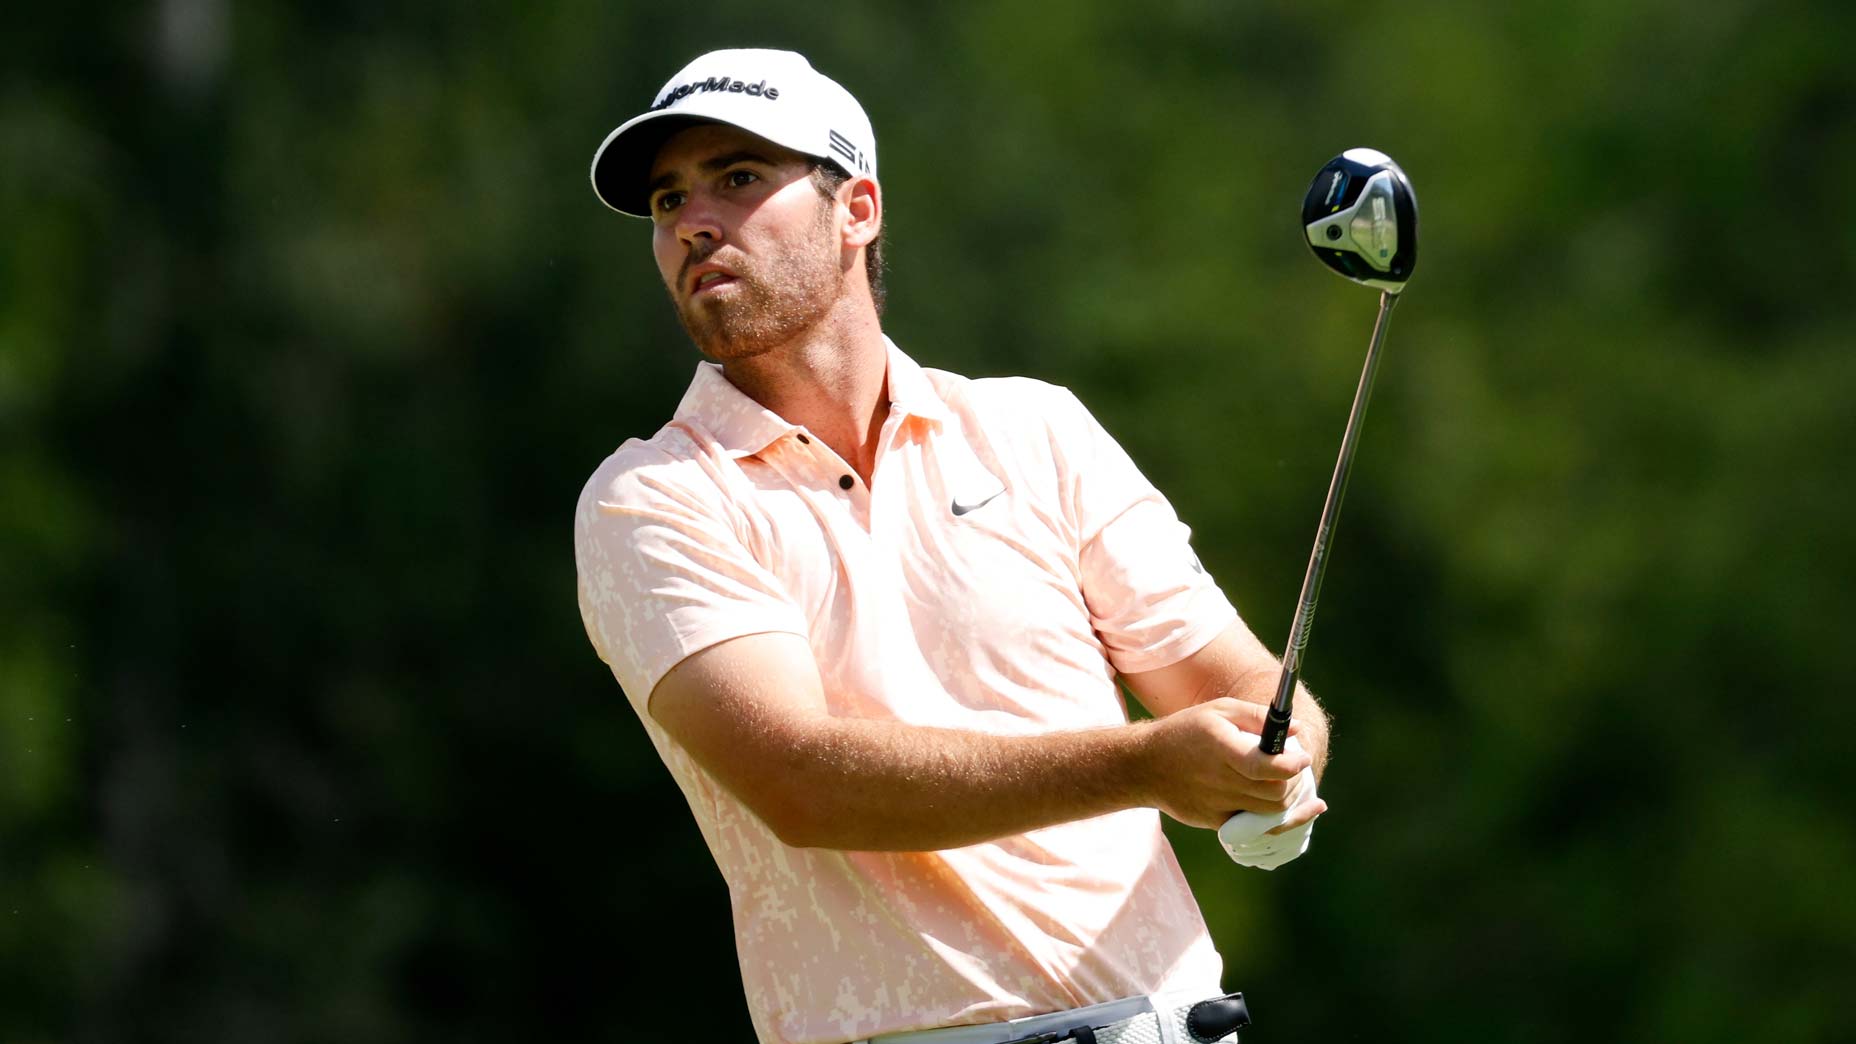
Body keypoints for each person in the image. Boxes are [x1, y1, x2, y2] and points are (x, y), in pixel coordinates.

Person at [574, 48, 1331, 1044]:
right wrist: (1148, 767)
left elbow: (1240, 693)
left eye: (739, 178)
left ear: (857, 210)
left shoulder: (1034, 431)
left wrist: (1272, 765)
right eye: (668, 201)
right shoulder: (652, 500)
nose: (692, 222)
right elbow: (801, 781)